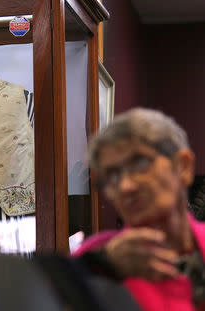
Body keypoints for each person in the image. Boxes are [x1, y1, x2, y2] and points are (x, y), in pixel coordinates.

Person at [74, 108, 205, 310]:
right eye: (112, 175)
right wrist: (104, 268)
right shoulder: (93, 259)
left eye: (141, 163)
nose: (125, 186)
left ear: (183, 167)